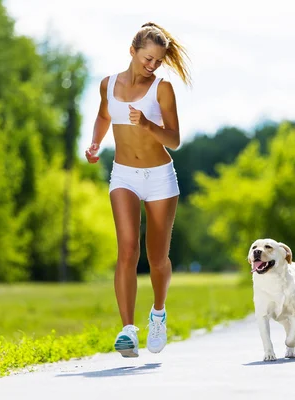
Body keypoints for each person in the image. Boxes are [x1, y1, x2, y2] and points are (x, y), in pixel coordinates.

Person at [85, 22, 191, 358]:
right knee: (127, 250)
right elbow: (104, 116)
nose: (152, 65)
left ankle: (158, 314)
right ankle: (128, 330)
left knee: (157, 258)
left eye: (158, 61)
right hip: (124, 176)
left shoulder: (162, 89)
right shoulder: (108, 84)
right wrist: (94, 143)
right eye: (147, 58)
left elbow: (174, 139)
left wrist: (147, 124)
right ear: (132, 51)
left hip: (160, 177)